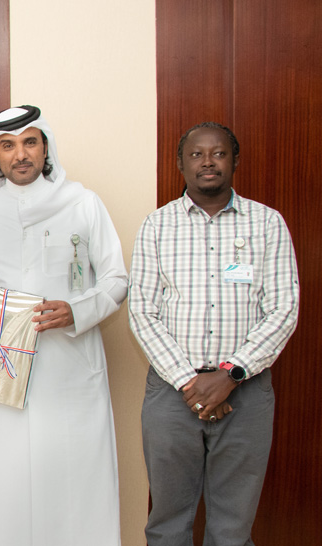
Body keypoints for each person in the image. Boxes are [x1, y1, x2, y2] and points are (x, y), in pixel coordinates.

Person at [0, 105, 126, 545]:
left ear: (45, 148)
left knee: (72, 479)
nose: (20, 154)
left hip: (69, 367)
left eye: (30, 142)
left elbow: (117, 279)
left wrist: (77, 311)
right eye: (7, 146)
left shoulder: (82, 203)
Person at [128, 122, 299, 546]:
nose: (208, 162)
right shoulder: (157, 225)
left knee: (232, 528)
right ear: (181, 163)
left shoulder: (267, 223)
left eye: (218, 153)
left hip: (245, 392)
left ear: (234, 161)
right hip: (172, 394)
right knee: (167, 524)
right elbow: (143, 312)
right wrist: (191, 384)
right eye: (196, 154)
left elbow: (283, 308)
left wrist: (230, 375)